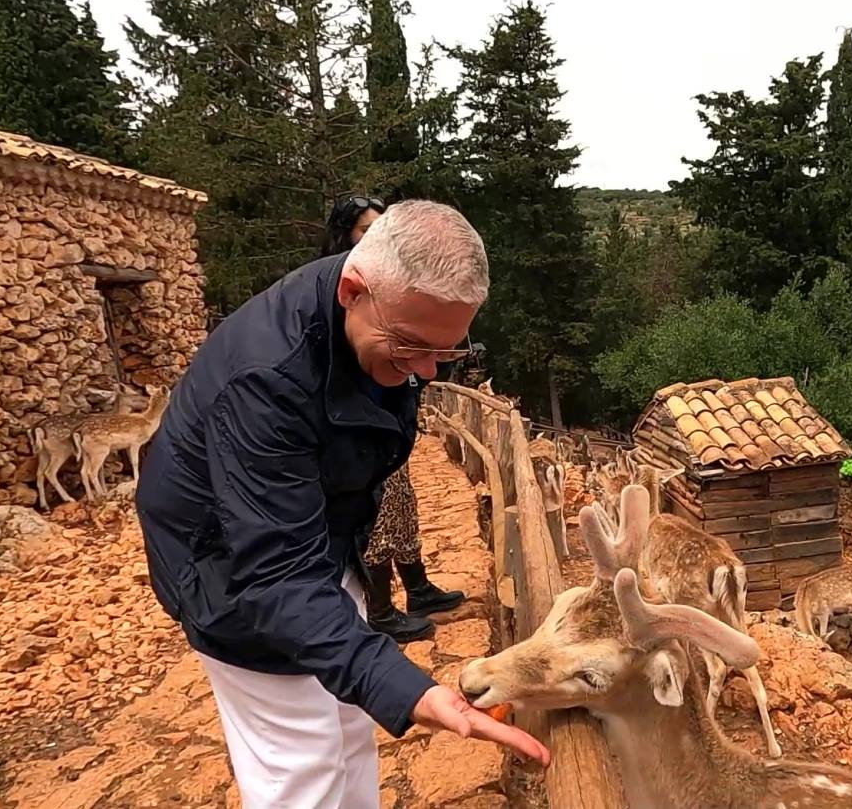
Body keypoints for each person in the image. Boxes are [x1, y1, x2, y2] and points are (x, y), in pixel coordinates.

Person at [134, 200, 550, 808]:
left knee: (350, 729)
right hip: (229, 575)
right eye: (412, 345)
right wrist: (407, 689)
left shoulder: (375, 317)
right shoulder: (265, 380)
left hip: (317, 546)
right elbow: (275, 575)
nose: (429, 372)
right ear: (354, 290)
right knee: (302, 764)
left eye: (449, 352)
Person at [320, 195, 465, 643]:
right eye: (368, 232)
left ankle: (417, 588)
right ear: (346, 237)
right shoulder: (346, 303)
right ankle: (380, 611)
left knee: (402, 507)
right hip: (361, 429)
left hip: (386, 424)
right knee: (379, 515)